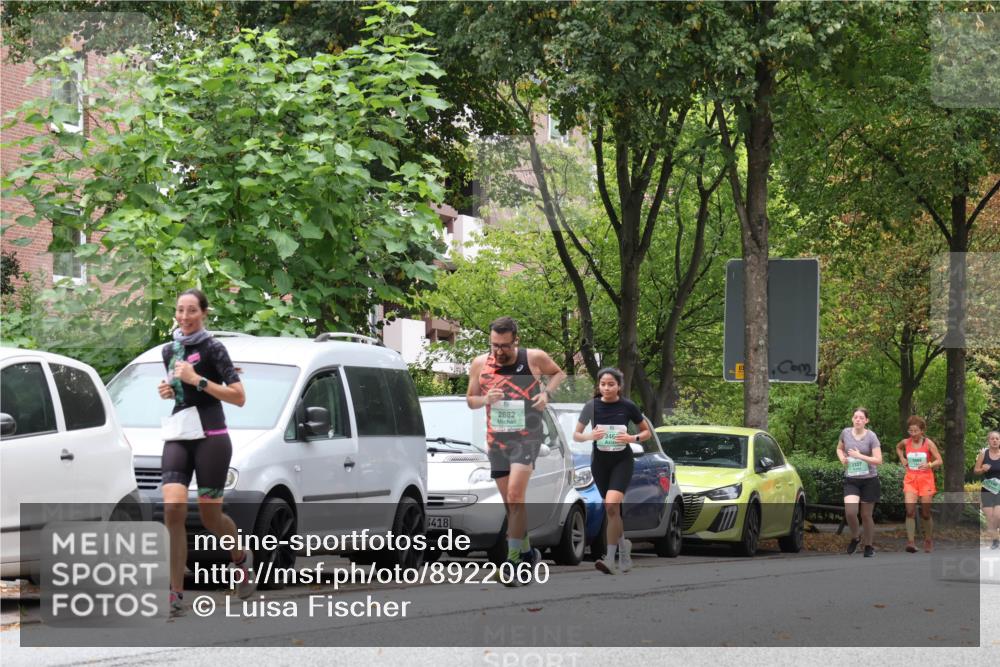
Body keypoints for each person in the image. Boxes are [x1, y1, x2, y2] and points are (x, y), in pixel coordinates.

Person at [158, 289, 251, 616]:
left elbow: (239, 397)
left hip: (212, 436)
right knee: (172, 509)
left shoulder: (214, 348)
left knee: (210, 515)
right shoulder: (169, 349)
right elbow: (180, 394)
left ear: (204, 313)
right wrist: (170, 391)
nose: (184, 316)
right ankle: (175, 592)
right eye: (180, 310)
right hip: (180, 433)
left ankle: (238, 557)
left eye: (191, 310)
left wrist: (197, 381)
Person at [467, 317, 566, 586]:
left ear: (516, 341)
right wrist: (485, 399)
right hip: (496, 442)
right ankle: (528, 552)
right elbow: (470, 400)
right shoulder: (480, 364)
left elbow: (559, 372)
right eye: (494, 345)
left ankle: (511, 562)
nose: (499, 351)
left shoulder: (533, 359)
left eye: (505, 346)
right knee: (511, 506)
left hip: (527, 438)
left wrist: (546, 394)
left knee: (514, 495)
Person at [573, 368, 649, 575]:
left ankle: (609, 558)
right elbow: (576, 435)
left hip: (621, 461)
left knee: (611, 504)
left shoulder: (628, 406)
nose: (606, 388)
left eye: (611, 384)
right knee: (612, 511)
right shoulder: (591, 407)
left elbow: (646, 431)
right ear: (598, 386)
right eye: (603, 384)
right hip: (599, 463)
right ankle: (624, 550)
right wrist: (590, 436)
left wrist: (632, 439)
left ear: (619, 386)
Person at [837, 407, 883, 558]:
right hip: (852, 479)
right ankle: (856, 537)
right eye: (855, 417)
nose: (858, 420)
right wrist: (842, 458)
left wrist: (859, 455)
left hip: (869, 480)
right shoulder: (845, 433)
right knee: (850, 512)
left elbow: (878, 460)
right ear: (852, 419)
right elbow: (839, 448)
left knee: (866, 515)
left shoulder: (871, 437)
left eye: (861, 418)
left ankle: (869, 546)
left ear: (866, 421)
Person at [895, 416, 943, 553]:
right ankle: (911, 542)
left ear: (922, 430)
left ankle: (928, 539)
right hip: (910, 479)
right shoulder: (905, 442)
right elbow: (898, 448)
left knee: (926, 514)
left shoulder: (928, 443)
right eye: (910, 431)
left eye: (916, 431)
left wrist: (929, 464)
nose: (913, 434)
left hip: (926, 479)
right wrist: (902, 458)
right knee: (909, 511)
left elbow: (939, 460)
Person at [975, 431, 1000, 549]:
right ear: (988, 441)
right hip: (987, 489)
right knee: (990, 517)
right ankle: (995, 541)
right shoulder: (983, 454)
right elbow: (976, 471)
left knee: (997, 516)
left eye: (997, 439)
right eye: (992, 439)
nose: (994, 441)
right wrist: (983, 469)